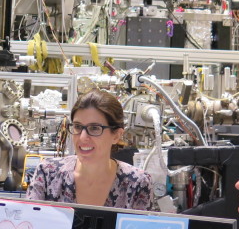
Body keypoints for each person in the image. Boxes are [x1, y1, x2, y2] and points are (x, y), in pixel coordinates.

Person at [26, 89, 154, 210]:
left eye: (94, 128)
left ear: (116, 135)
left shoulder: (137, 183)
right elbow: (29, 226)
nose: (83, 137)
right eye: (77, 126)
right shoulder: (48, 174)